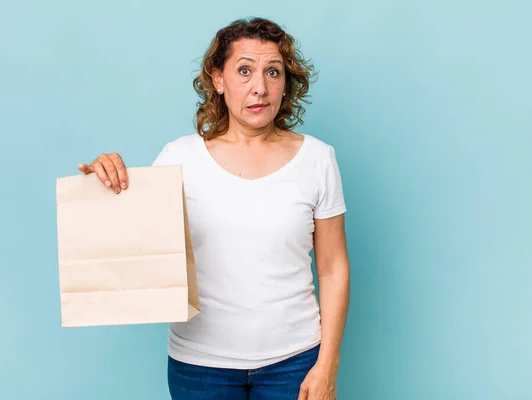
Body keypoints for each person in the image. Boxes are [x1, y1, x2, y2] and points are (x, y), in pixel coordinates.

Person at [78, 17, 350, 400]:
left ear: (286, 82)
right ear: (218, 80)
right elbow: (133, 241)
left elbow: (333, 267)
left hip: (295, 362)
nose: (260, 87)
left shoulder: (318, 159)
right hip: (199, 367)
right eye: (244, 71)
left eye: (273, 72)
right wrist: (102, 179)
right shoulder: (179, 158)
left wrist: (327, 364)